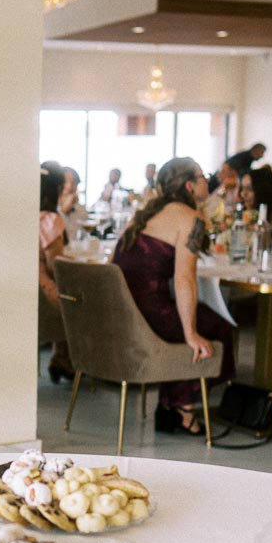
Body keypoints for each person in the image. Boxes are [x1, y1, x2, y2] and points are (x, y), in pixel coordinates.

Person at [113, 158, 234, 435]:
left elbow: (113, 263)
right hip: (149, 313)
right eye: (203, 177)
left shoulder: (144, 213)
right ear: (190, 185)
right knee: (217, 328)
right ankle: (183, 409)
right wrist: (190, 332)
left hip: (124, 312)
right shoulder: (190, 218)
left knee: (200, 318)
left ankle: (170, 406)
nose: (208, 181)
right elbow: (184, 279)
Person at [39, 168, 74, 382]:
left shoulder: (29, 216)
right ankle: (66, 358)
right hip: (45, 295)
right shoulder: (51, 220)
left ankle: (61, 358)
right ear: (57, 190)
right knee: (79, 300)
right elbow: (55, 266)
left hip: (33, 289)